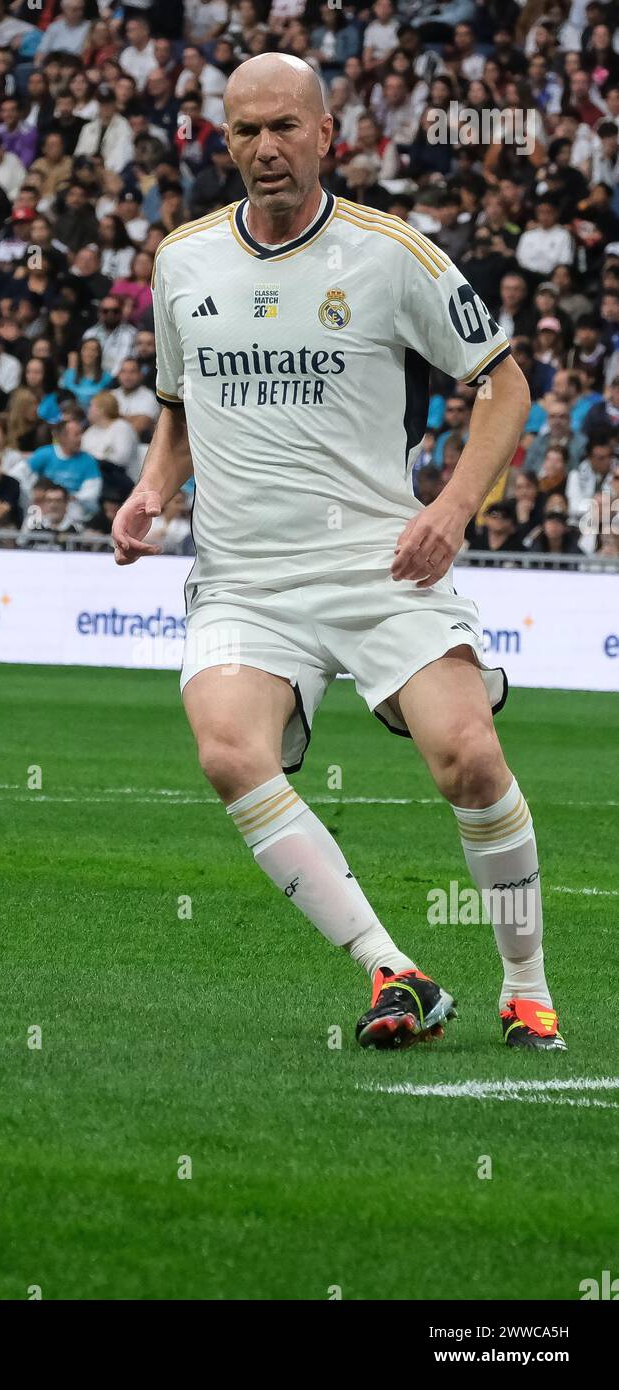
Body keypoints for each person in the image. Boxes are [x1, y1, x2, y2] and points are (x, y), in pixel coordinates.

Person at [113, 53, 565, 1052]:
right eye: (244, 131)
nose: (264, 148)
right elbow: (180, 405)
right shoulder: (182, 260)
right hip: (242, 577)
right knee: (227, 749)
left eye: (284, 126)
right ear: (221, 141)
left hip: (378, 562)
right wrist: (153, 488)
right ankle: (391, 968)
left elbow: (506, 384)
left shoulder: (388, 252)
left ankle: (524, 983)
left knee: (466, 759)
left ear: (326, 135)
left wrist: (452, 504)